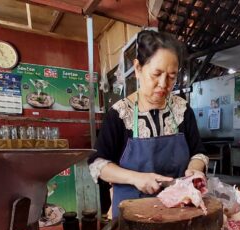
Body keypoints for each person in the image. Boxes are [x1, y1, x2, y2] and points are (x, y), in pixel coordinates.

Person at [88, 30, 208, 218]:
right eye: (157, 74)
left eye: (171, 76)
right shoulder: (119, 114)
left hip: (179, 212)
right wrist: (136, 178)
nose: (163, 84)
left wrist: (194, 169)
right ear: (138, 68)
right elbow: (98, 164)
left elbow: (199, 153)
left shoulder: (182, 111)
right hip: (132, 215)